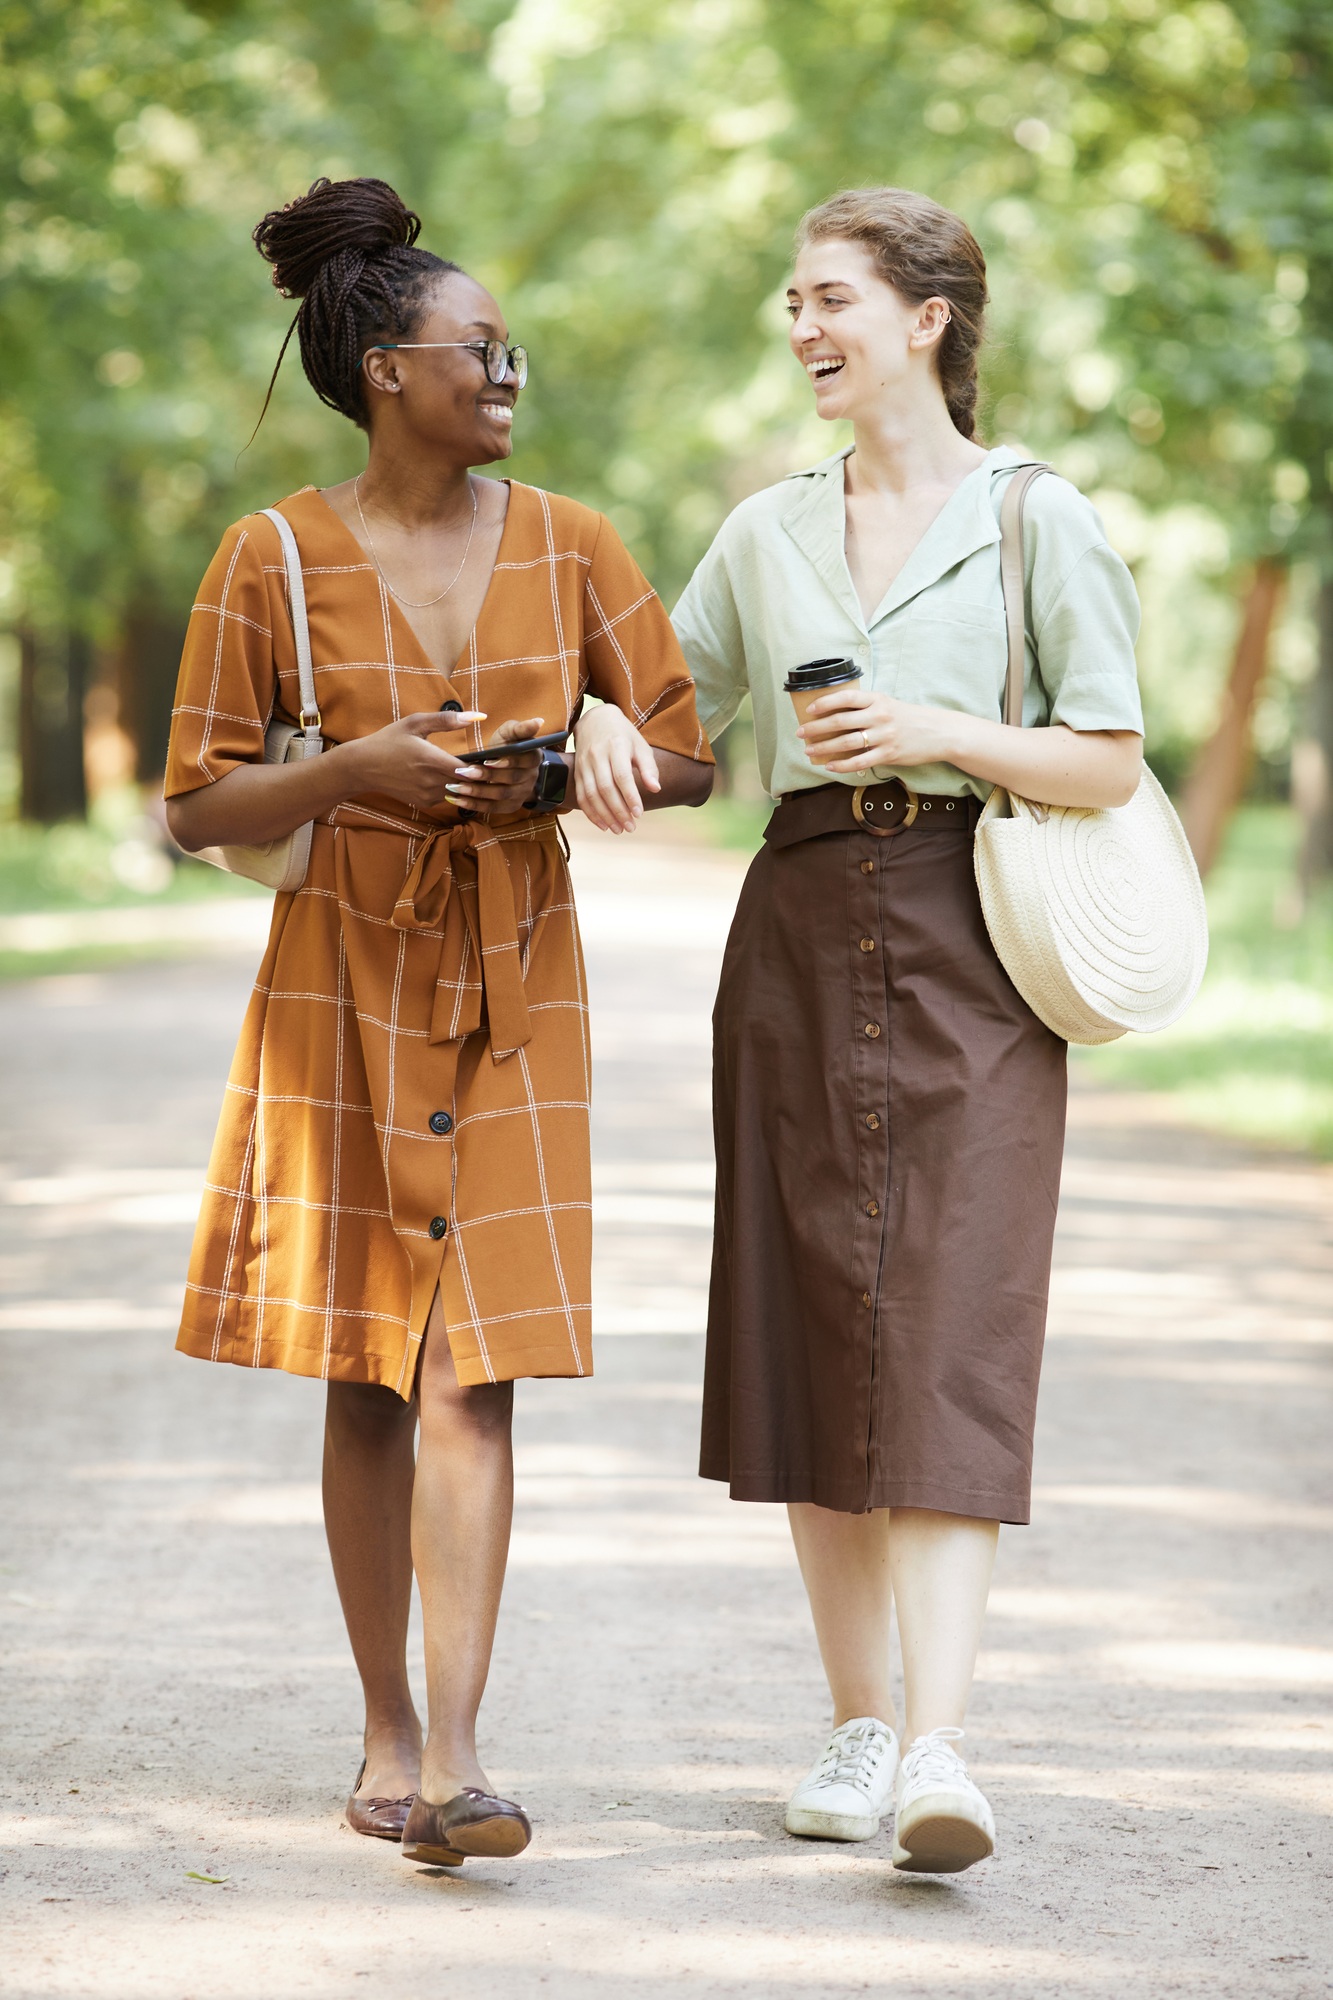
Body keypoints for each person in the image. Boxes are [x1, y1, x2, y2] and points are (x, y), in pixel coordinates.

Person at [164, 176, 712, 1869]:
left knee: (479, 1375)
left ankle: (462, 1763)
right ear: (386, 369)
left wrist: (603, 761)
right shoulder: (267, 554)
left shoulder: (572, 538)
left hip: (517, 969)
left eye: (511, 349)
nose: (507, 372)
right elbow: (199, 802)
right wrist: (356, 772)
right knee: (365, 1375)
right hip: (339, 973)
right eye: (479, 348)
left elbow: (690, 747)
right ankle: (384, 1737)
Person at [671, 187, 1143, 1874]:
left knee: (949, 1315)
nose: (802, 328)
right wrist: (579, 735)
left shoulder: (1038, 518)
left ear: (925, 319)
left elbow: (1105, 754)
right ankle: (856, 1723)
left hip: (975, 934)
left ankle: (942, 1747)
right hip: (795, 927)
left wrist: (939, 723)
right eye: (790, 302)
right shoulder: (760, 530)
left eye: (829, 298)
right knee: (809, 1309)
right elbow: (675, 724)